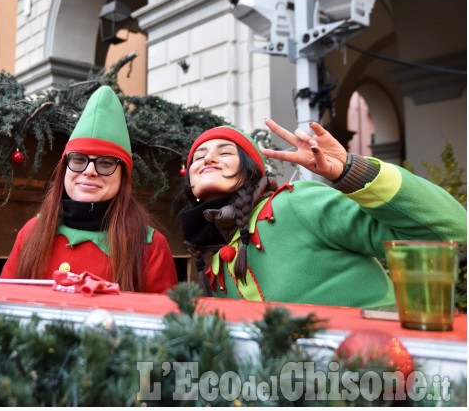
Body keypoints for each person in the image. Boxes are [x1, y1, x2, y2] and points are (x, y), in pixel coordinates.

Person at [179, 119, 466, 308]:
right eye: (199, 156)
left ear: (250, 170)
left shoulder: (297, 203)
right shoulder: (214, 265)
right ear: (189, 182)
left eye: (225, 152)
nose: (209, 158)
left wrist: (351, 170)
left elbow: (449, 232)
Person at [0, 86, 178, 293]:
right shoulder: (31, 231)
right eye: (78, 160)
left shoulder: (150, 246)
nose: (90, 171)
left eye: (105, 163)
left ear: (123, 176)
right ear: (65, 168)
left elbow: (164, 321)